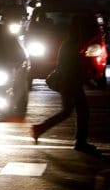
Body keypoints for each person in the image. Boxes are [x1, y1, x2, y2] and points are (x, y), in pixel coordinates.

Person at [31, 15, 100, 155]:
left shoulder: (69, 44)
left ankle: (40, 129)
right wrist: (89, 83)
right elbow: (73, 68)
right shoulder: (71, 46)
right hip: (71, 83)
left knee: (68, 112)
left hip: (68, 83)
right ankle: (80, 142)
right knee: (83, 112)